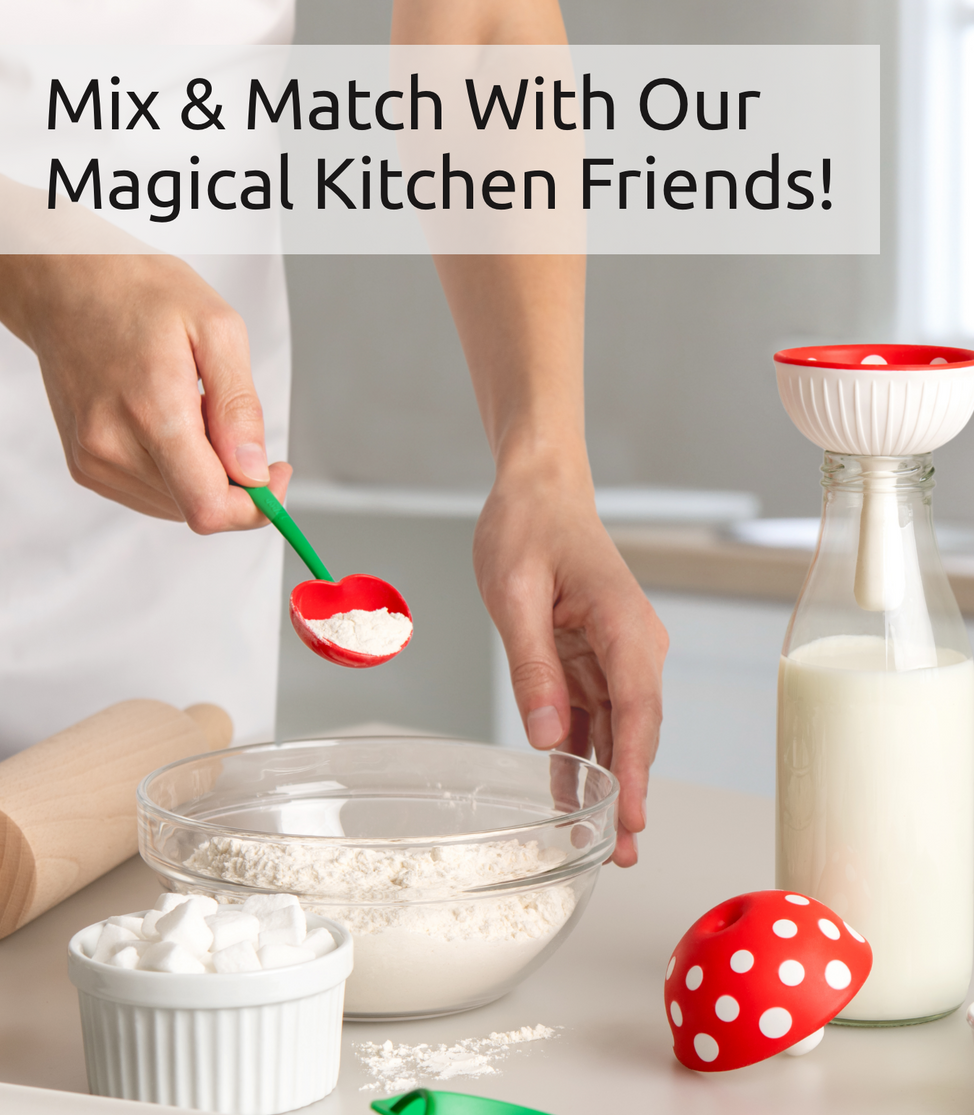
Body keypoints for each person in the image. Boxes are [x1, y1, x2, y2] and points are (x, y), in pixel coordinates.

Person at [0, 0, 666, 866]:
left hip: (174, 604)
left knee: (164, 904)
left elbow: (485, 28)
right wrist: (32, 259)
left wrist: (545, 464)